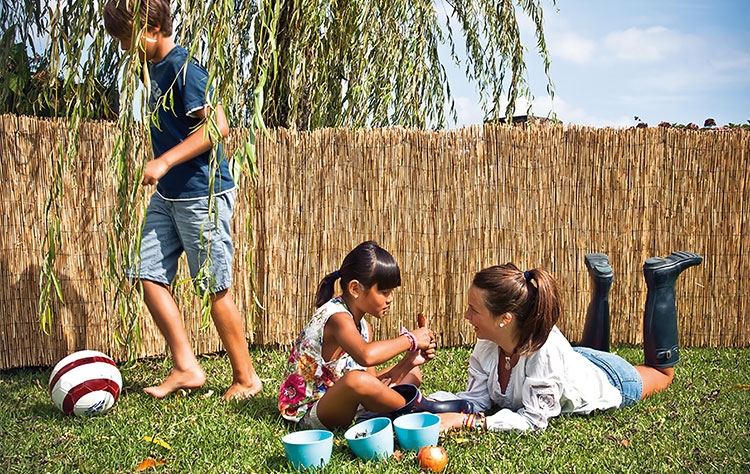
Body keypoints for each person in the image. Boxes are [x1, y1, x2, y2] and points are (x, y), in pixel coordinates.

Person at [103, 0, 261, 400]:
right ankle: (187, 366)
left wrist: (164, 161)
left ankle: (246, 378)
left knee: (213, 287)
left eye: (127, 38)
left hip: (200, 194)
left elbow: (218, 126)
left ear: (154, 28)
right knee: (146, 272)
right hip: (168, 194)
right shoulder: (153, 69)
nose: (124, 48)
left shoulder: (183, 67)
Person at [434, 251, 703, 432]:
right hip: (575, 359)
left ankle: (662, 280)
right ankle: (601, 285)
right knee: (584, 355)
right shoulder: (488, 340)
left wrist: (468, 422)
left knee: (662, 373)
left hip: (611, 378)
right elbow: (477, 400)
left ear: (505, 318)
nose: (466, 316)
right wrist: (427, 404)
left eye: (474, 310)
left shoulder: (544, 353)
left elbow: (534, 420)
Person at [278, 241, 470, 429]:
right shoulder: (337, 318)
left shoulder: (364, 327)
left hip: (347, 403)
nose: (390, 299)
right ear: (355, 289)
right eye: (384, 292)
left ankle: (387, 413)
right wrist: (410, 339)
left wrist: (408, 362)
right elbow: (366, 356)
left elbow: (371, 380)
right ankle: (422, 409)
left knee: (412, 373)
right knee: (356, 380)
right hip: (312, 411)